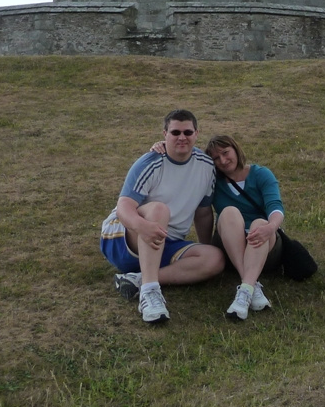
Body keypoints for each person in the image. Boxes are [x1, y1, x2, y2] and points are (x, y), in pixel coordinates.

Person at [99, 109, 225, 324]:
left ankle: (136, 279)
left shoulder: (206, 166)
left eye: (187, 132)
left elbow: (203, 212)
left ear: (197, 133)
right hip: (124, 237)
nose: (182, 137)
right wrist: (141, 226)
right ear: (164, 133)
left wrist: (204, 247)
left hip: (167, 240)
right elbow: (124, 207)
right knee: (159, 210)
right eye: (175, 132)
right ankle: (149, 293)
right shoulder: (150, 162)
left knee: (215, 258)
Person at [205, 135, 285, 321]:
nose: (223, 161)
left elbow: (275, 206)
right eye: (216, 158)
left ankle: (244, 291)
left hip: (263, 243)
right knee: (229, 212)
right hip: (230, 241)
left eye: (226, 153)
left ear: (236, 149)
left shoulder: (261, 174)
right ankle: (250, 286)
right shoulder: (213, 181)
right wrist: (160, 146)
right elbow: (186, 162)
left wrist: (271, 227)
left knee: (259, 223)